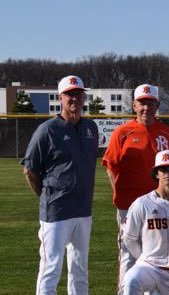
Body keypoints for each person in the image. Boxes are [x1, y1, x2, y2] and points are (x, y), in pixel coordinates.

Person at [22, 75, 99, 295]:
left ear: (83, 97)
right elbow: (29, 170)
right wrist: (48, 196)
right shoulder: (47, 130)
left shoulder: (91, 127)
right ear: (60, 97)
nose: (74, 98)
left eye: (78, 94)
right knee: (50, 268)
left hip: (83, 211)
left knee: (80, 269)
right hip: (56, 212)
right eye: (69, 94)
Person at [102, 83, 169, 289]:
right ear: (134, 105)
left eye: (150, 103)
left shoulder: (168, 133)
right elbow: (111, 167)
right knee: (128, 253)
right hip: (129, 204)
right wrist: (119, 194)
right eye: (142, 103)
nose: (146, 108)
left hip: (160, 205)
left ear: (157, 106)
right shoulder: (122, 132)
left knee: (158, 253)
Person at [119, 150, 169, 295]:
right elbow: (129, 238)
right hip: (149, 267)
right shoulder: (142, 203)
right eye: (163, 169)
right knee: (131, 280)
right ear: (156, 173)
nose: (168, 173)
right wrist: (143, 258)